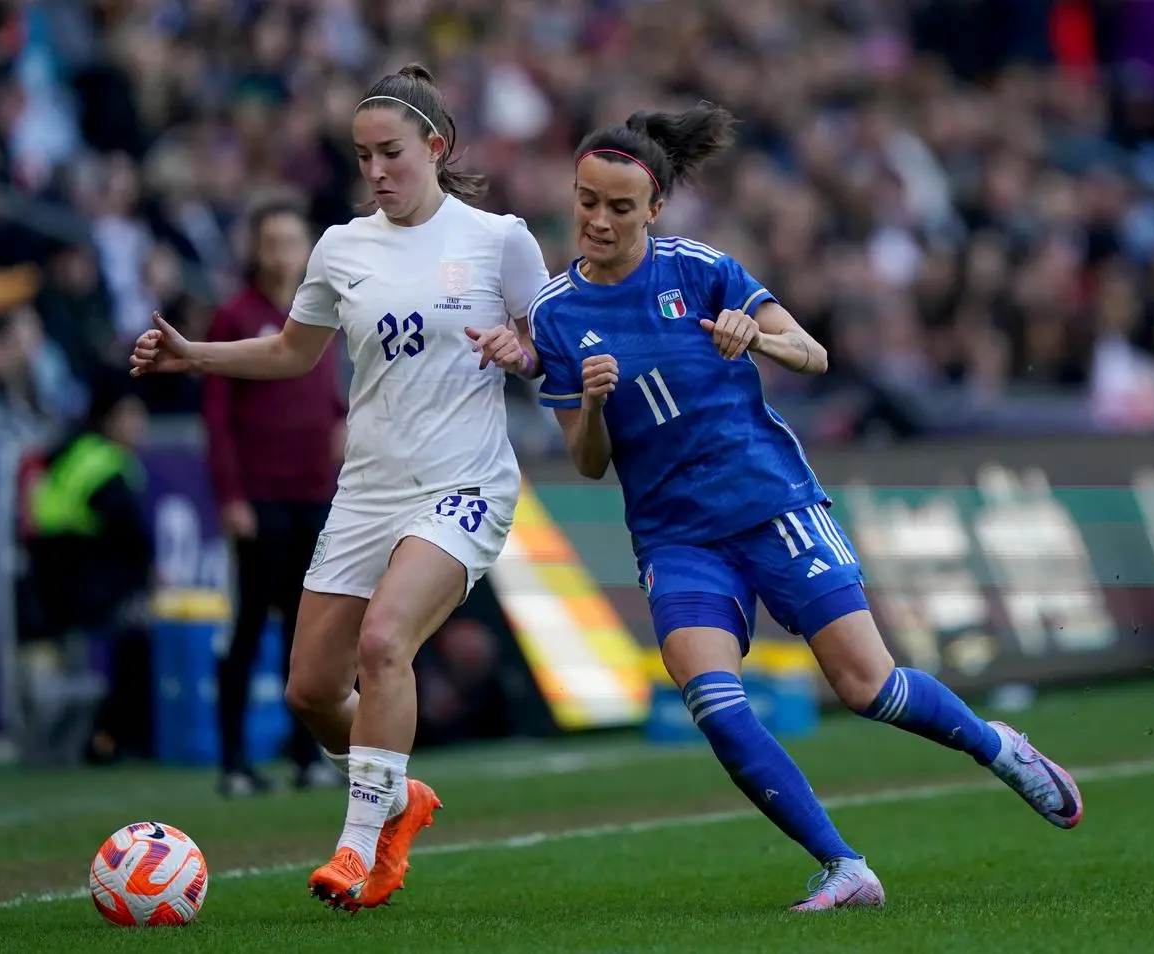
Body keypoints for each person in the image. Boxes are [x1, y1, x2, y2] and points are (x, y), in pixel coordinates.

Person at [527, 104, 1084, 912]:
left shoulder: (703, 269)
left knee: (869, 687)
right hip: (676, 535)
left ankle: (1000, 747)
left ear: (654, 209)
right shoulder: (554, 313)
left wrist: (754, 336)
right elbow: (586, 464)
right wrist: (593, 408)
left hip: (769, 502)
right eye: (586, 201)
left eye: (619, 207)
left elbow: (813, 353)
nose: (598, 220)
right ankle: (843, 866)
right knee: (711, 698)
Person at [129, 63, 550, 911]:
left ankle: (357, 850)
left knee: (384, 643)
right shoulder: (341, 246)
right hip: (366, 490)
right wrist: (196, 354)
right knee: (313, 691)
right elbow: (293, 351)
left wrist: (524, 351)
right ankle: (399, 799)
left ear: (435, 146)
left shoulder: (500, 239)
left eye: (390, 152)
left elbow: (553, 351)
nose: (377, 172)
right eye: (362, 157)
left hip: (463, 483)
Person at [203, 199, 346, 798]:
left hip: (314, 492)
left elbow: (330, 398)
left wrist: (342, 425)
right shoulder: (234, 317)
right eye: (272, 242)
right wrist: (231, 496)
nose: (283, 253)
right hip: (261, 498)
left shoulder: (321, 313)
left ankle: (303, 754)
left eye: (292, 241)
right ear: (256, 250)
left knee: (305, 632)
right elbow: (217, 419)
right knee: (249, 628)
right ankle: (234, 762)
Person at [25, 373, 154, 763]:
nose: (140, 425)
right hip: (79, 591)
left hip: (50, 587)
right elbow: (134, 540)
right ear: (110, 419)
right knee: (142, 637)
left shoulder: (72, 454)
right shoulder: (106, 467)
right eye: (132, 415)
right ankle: (117, 738)